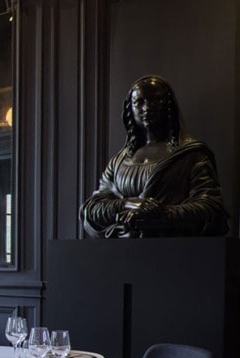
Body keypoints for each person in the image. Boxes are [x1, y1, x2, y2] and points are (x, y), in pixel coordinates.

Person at [79, 75, 229, 238]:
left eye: (155, 100)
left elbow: (211, 207)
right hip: (122, 253)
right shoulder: (120, 162)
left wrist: (159, 214)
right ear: (131, 108)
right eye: (139, 102)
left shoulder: (191, 155)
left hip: (176, 252)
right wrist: (131, 204)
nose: (147, 108)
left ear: (168, 105)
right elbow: (92, 209)